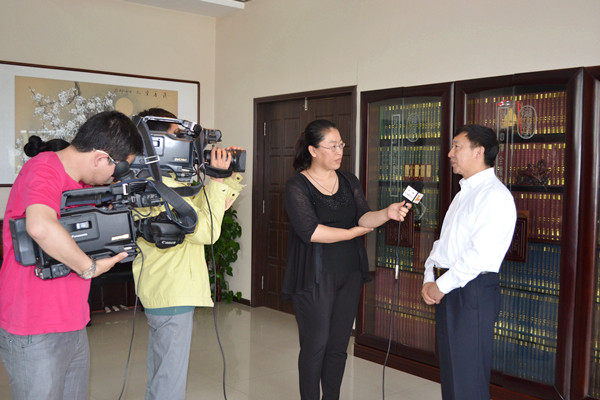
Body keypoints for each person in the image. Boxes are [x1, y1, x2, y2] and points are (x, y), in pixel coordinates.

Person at [0, 110, 144, 400]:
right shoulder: (44, 168)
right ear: (100, 158)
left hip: (73, 320)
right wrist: (90, 268)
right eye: (117, 170)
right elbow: (40, 227)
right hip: (35, 324)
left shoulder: (83, 185)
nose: (113, 177)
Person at [282, 119, 411, 400]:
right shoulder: (297, 185)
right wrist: (351, 233)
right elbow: (311, 231)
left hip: (349, 271)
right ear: (313, 150)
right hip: (315, 276)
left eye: (341, 145)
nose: (339, 151)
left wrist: (386, 213)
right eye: (332, 146)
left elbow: (363, 216)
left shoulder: (349, 180)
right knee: (316, 345)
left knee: (338, 346)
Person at [131, 108, 244, 400]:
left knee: (161, 371)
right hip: (172, 290)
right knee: (169, 379)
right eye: (177, 137)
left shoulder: (157, 180)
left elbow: (208, 210)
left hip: (164, 289)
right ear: (156, 143)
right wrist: (216, 182)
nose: (184, 144)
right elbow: (207, 231)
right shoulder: (162, 186)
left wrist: (227, 177)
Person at [421, 125, 517, 400]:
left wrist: (441, 285)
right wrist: (429, 278)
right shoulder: (464, 192)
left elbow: (480, 255)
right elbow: (444, 244)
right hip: (450, 288)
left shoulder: (494, 196)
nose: (450, 153)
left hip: (471, 291)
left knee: (468, 379)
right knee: (453, 375)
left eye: (457, 146)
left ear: (479, 151)